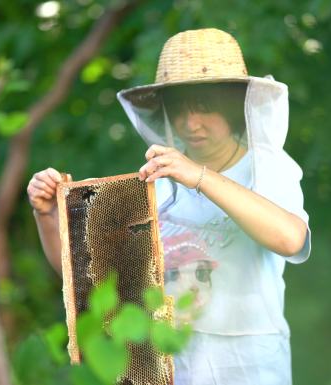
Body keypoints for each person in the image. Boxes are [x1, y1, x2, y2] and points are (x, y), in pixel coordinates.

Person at [27, 28, 312, 385]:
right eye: (180, 109)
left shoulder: (268, 168)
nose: (191, 123)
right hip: (169, 361)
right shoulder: (158, 181)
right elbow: (94, 281)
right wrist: (46, 215)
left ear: (233, 106)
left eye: (206, 108)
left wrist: (199, 176)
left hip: (247, 364)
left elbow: (291, 239)